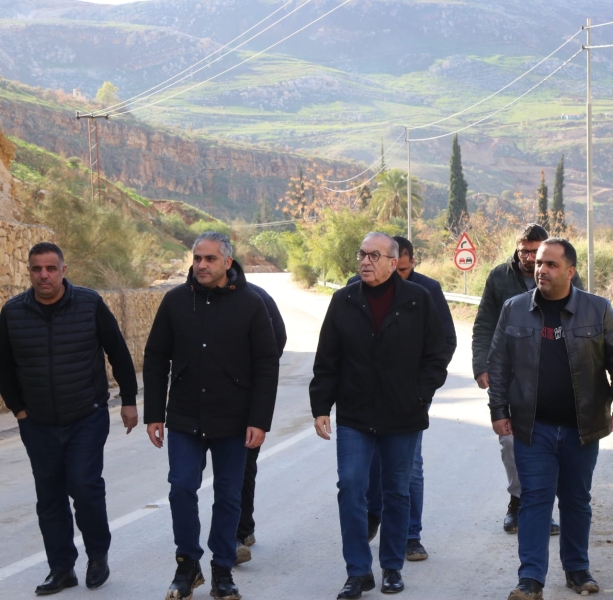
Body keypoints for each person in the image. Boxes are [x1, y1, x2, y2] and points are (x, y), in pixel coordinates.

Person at [310, 232, 448, 599]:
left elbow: (437, 352)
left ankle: (391, 567)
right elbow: (327, 359)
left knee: (396, 491)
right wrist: (321, 407)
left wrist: (420, 394)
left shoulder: (418, 299)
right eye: (362, 254)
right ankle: (358, 572)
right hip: (355, 414)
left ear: (393, 261)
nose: (365, 261)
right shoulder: (343, 300)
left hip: (403, 414)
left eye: (374, 255)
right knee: (351, 487)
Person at [143, 231, 279, 600]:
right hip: (184, 417)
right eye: (197, 258)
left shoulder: (251, 303)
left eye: (210, 259)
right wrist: (154, 413)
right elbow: (156, 358)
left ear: (227, 262)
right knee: (181, 488)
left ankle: (222, 570)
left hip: (234, 420)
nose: (201, 265)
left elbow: (267, 364)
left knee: (228, 495)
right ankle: (187, 566)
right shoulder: (175, 301)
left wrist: (259, 420)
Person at [0, 242, 138, 595]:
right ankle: (61, 569)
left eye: (50, 268)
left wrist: (128, 400)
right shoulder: (13, 312)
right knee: (49, 497)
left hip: (86, 416)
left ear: (63, 270)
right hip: (38, 423)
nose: (43, 275)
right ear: (29, 272)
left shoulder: (89, 303)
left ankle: (97, 557)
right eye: (36, 269)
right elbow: (4, 367)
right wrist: (20, 411)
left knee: (84, 486)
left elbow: (118, 351)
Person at [488, 238, 612, 600]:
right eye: (539, 263)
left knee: (576, 501)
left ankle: (577, 570)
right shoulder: (514, 309)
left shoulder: (598, 309)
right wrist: (499, 411)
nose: (541, 269)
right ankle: (530, 580)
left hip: (581, 427)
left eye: (551, 264)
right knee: (534, 501)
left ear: (570, 271)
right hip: (533, 427)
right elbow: (499, 365)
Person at [348, 236, 457, 561]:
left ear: (401, 262)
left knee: (410, 468)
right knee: (371, 464)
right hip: (366, 400)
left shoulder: (426, 291)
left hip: (409, 399)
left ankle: (411, 535)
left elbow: (444, 342)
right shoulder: (353, 290)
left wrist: (422, 391)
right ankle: (374, 514)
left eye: (404, 270)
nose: (399, 277)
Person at [472, 223, 582, 534]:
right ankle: (518, 500)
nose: (530, 258)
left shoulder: (566, 274)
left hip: (552, 378)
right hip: (512, 376)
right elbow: (484, 324)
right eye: (524, 251)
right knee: (510, 443)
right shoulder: (499, 277)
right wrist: (481, 366)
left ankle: (541, 507)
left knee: (551, 446)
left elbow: (581, 318)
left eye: (536, 252)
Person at [235, 283, 287, 565]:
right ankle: (240, 530)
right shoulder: (189, 297)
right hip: (199, 403)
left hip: (245, 398)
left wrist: (254, 370)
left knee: (241, 465)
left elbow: (276, 340)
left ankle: (240, 531)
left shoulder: (255, 297)